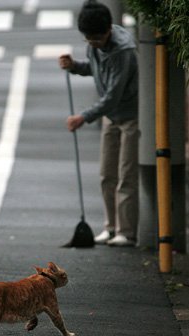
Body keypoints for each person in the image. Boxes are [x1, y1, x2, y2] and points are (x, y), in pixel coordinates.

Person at [58, 0, 139, 247]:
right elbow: (95, 70)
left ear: (107, 31)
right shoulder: (95, 44)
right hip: (110, 116)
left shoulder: (123, 51)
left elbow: (113, 94)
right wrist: (74, 67)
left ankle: (126, 232)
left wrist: (83, 117)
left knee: (126, 175)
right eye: (88, 39)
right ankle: (110, 227)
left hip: (130, 116)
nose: (92, 44)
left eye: (96, 39)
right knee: (106, 174)